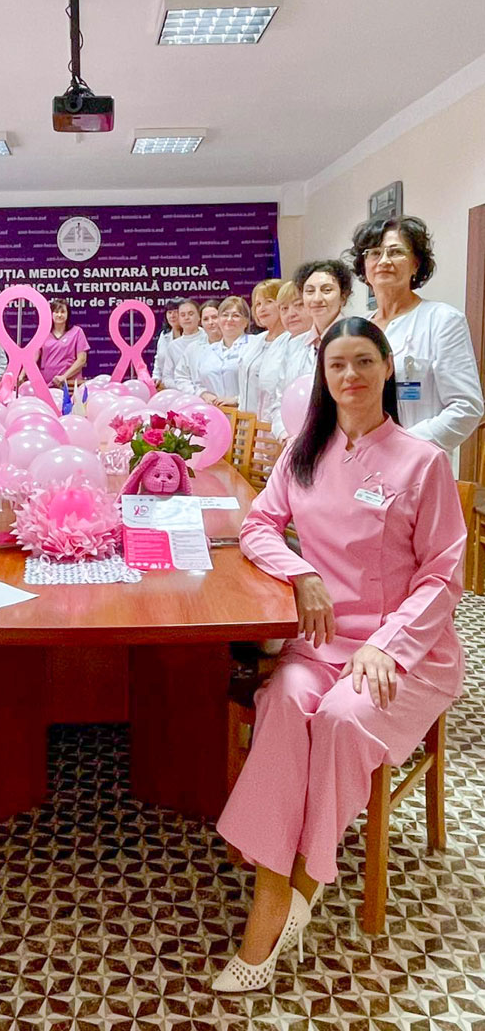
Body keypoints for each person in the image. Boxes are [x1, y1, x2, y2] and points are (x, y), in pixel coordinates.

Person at [213, 317, 466, 992]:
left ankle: (295, 886)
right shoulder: (305, 452)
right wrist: (301, 573)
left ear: (387, 369)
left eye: (363, 362)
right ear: (323, 378)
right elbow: (258, 525)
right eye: (337, 365)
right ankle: (277, 888)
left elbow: (444, 575)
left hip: (402, 648)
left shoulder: (422, 461)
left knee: (340, 719)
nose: (350, 376)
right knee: (284, 704)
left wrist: (389, 644)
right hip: (322, 640)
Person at [347, 214, 483, 453]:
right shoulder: (357, 330)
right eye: (374, 253)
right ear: (364, 266)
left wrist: (403, 446)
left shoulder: (442, 320)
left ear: (416, 264)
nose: (384, 261)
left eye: (396, 252)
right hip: (360, 457)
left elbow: (467, 407)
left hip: (419, 461)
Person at [271, 260, 353, 441]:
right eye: (309, 291)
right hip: (297, 445)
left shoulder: (357, 340)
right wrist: (285, 436)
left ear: (343, 296)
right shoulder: (294, 346)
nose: (317, 298)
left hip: (345, 444)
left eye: (326, 290)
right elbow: (279, 400)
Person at [175, 295, 252, 404]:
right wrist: (201, 394)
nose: (211, 322)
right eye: (206, 319)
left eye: (214, 317)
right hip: (211, 407)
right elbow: (185, 378)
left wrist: (237, 400)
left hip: (244, 409)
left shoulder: (253, 344)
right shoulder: (202, 350)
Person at [259, 281, 313, 425]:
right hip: (274, 426)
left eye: (299, 305)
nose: (291, 314)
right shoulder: (278, 343)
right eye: (284, 308)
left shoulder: (321, 344)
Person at [238, 281, 284, 414]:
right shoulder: (255, 341)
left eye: (269, 301)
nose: (262, 309)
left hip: (272, 421)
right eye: (258, 304)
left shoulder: (290, 342)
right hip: (246, 420)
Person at [37, 299, 89, 388]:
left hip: (70, 384)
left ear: (68, 314)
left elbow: (82, 360)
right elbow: (33, 358)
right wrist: (21, 375)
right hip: (46, 384)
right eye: (56, 312)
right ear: (51, 314)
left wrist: (64, 377)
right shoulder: (43, 333)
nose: (59, 315)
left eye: (63, 312)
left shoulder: (77, 332)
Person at [162, 299, 207, 389]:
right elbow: (167, 377)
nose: (187, 318)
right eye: (183, 315)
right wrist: (185, 387)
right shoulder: (173, 346)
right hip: (182, 393)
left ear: (199, 317)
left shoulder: (209, 339)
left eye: (191, 314)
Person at [152, 299, 184, 390]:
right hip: (164, 387)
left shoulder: (191, 336)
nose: (172, 316)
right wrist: (156, 377)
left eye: (176, 312)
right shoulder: (164, 335)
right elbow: (158, 359)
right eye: (169, 312)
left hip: (185, 388)